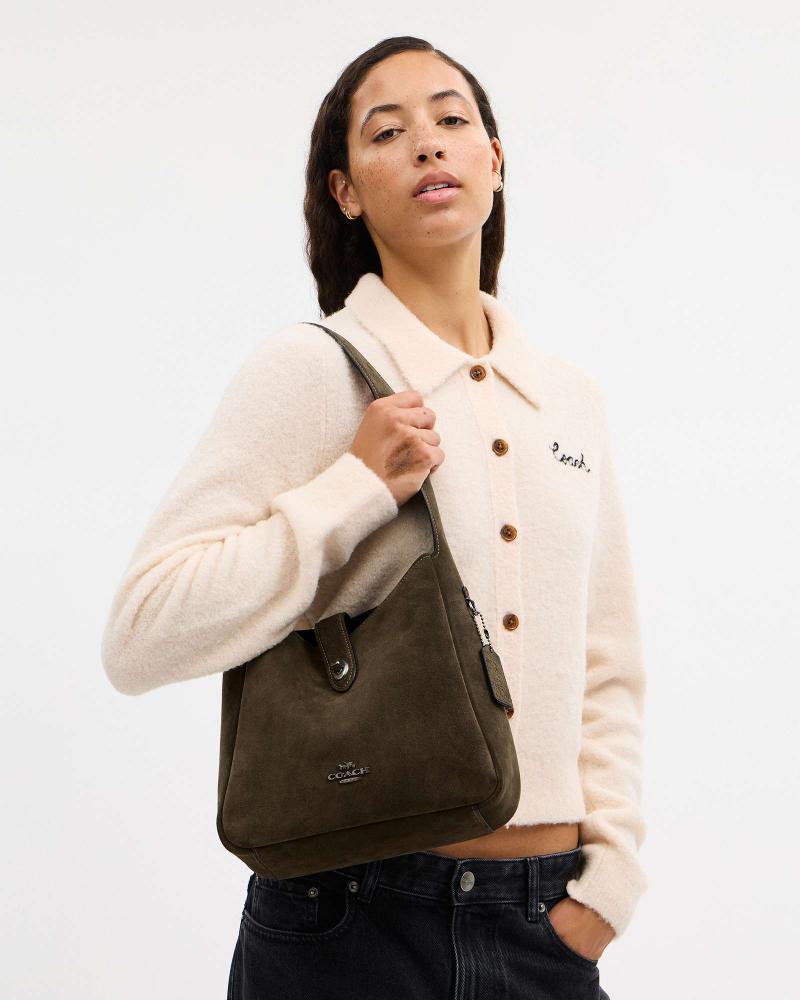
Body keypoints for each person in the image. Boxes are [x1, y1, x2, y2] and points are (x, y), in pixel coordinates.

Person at [101, 35, 647, 1000]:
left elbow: (606, 656)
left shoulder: (569, 399)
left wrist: (610, 886)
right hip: (349, 920)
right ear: (346, 191)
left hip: (548, 928)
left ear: (494, 160)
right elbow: (142, 633)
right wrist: (352, 488)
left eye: (451, 119)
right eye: (388, 132)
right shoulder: (312, 370)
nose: (429, 144)